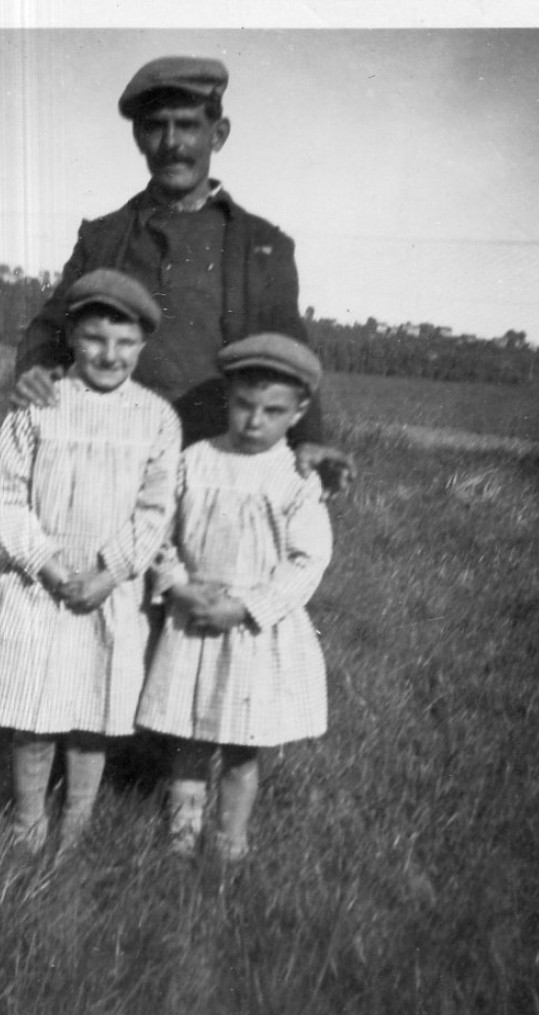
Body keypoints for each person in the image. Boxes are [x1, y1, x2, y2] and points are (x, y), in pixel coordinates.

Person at [13, 54, 354, 486]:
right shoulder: (103, 237)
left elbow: (288, 351)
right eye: (156, 126)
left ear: (219, 134)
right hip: (109, 458)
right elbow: (50, 327)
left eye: (188, 125)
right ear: (138, 136)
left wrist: (309, 439)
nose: (172, 142)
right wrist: (36, 369)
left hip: (217, 464)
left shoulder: (262, 246)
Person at [0, 269, 180, 857]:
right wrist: (43, 563)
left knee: (95, 711)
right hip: (37, 586)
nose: (109, 354)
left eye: (125, 343)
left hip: (107, 590)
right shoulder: (38, 406)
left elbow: (156, 510)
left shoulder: (156, 419)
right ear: (71, 336)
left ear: (143, 346)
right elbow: (5, 495)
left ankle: (78, 822)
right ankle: (27, 820)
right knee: (34, 713)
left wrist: (111, 571)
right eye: (94, 338)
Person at [135, 333, 333, 861]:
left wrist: (248, 607)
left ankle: (229, 840)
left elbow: (308, 559)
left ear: (298, 412)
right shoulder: (194, 460)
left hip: (250, 630)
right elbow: (160, 533)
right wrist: (177, 585)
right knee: (190, 740)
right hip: (194, 618)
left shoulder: (295, 478)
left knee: (244, 747)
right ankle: (179, 840)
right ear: (229, 398)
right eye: (244, 406)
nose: (253, 422)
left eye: (272, 411)